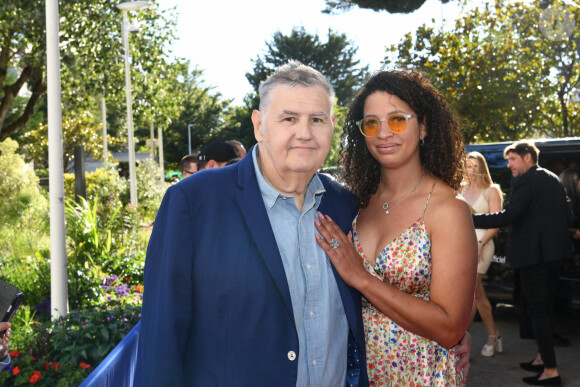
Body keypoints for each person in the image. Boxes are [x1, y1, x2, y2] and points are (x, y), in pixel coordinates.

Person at [141, 60, 369, 386]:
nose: (304, 133)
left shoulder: (344, 204)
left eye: (316, 120)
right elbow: (161, 336)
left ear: (332, 125)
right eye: (289, 118)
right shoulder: (194, 202)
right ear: (259, 125)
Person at [314, 69, 477, 386]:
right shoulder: (356, 204)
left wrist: (361, 277)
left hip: (423, 376)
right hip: (358, 376)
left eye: (398, 120)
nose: (383, 132)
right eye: (371, 123)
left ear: (424, 127)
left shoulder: (448, 210)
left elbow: (451, 328)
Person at [472, 140, 571, 386]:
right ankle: (541, 358)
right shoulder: (551, 177)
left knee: (538, 312)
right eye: (508, 160)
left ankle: (550, 370)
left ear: (528, 157)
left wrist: (471, 220)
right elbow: (567, 214)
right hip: (553, 257)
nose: (509, 165)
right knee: (544, 310)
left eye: (513, 159)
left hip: (534, 258)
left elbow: (509, 215)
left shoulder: (527, 180)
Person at [462, 151, 503, 357]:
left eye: (475, 166)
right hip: (461, 245)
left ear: (482, 168)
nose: (471, 170)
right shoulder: (459, 189)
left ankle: (461, 343)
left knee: (472, 290)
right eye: (468, 166)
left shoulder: (491, 191)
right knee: (477, 294)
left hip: (482, 245)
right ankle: (493, 334)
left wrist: (480, 243)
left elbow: (496, 224)